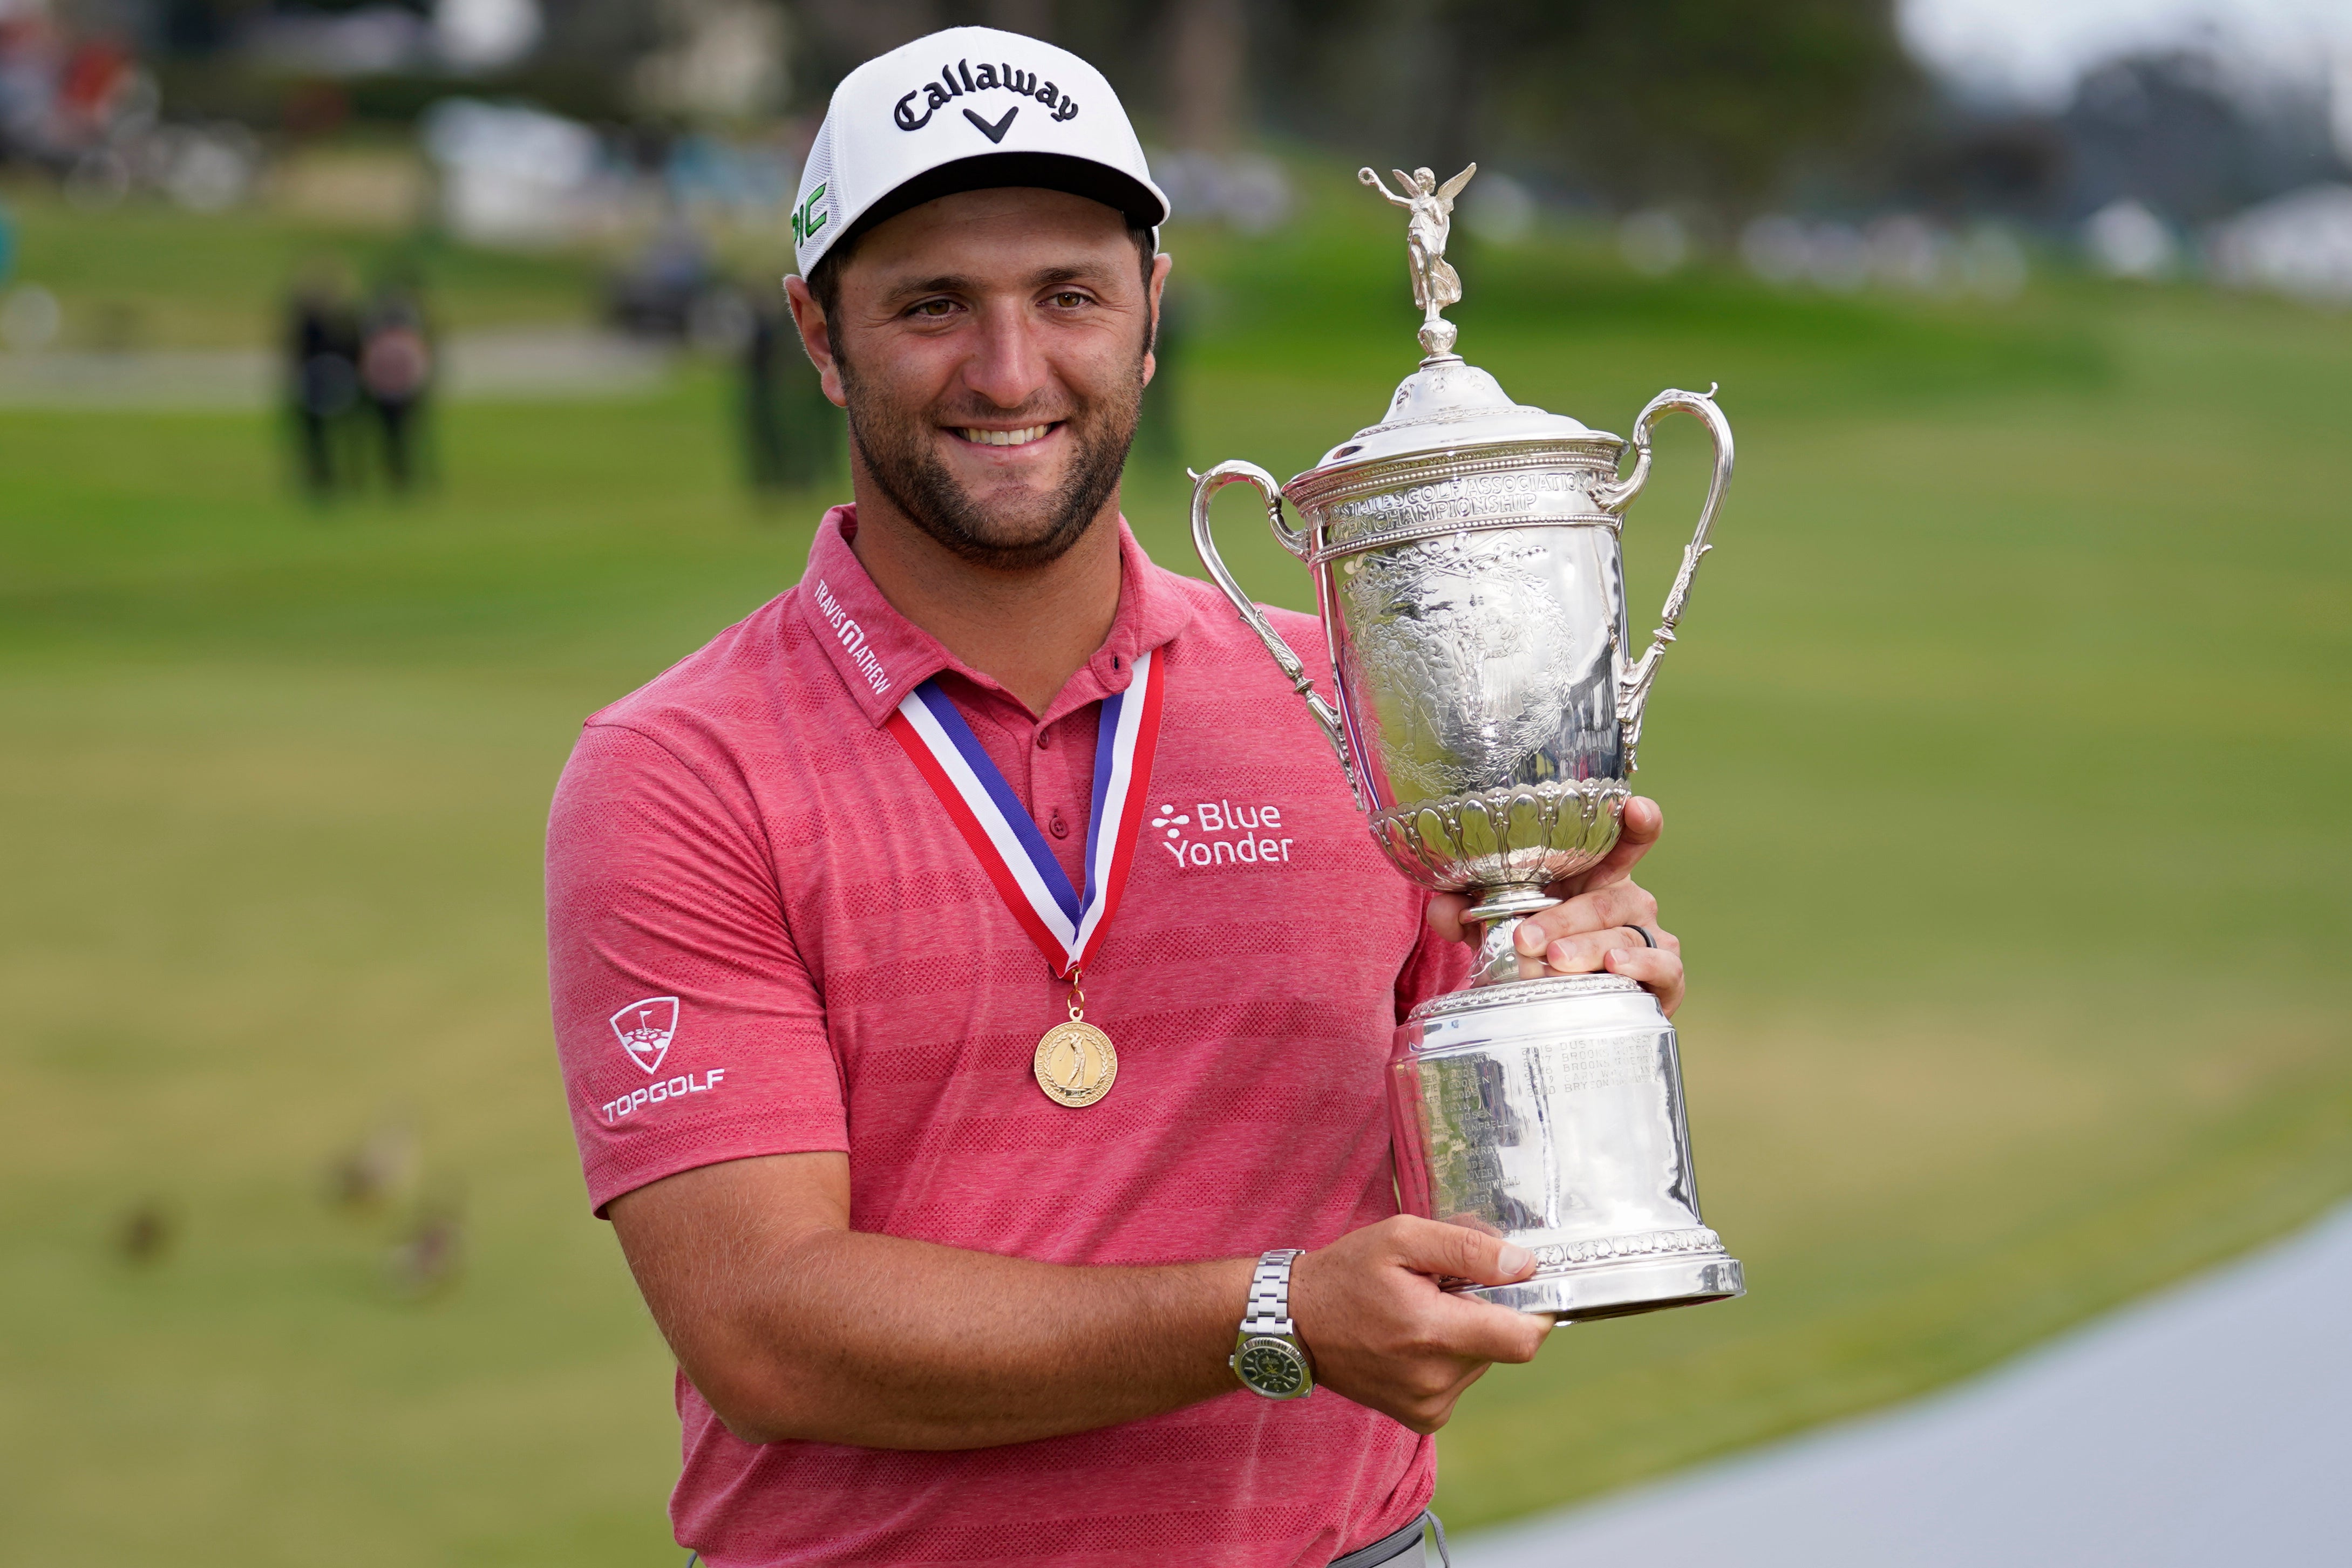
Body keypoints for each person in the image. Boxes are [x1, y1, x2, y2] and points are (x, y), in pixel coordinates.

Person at [545, 26, 1685, 1568]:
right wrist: (1273, 1314)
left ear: (1151, 317)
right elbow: (767, 1330)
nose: (1009, 372)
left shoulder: (1360, 706)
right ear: (820, 333)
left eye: (1069, 295)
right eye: (934, 303)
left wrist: (1558, 1010)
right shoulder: (681, 769)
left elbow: (1459, 1213)